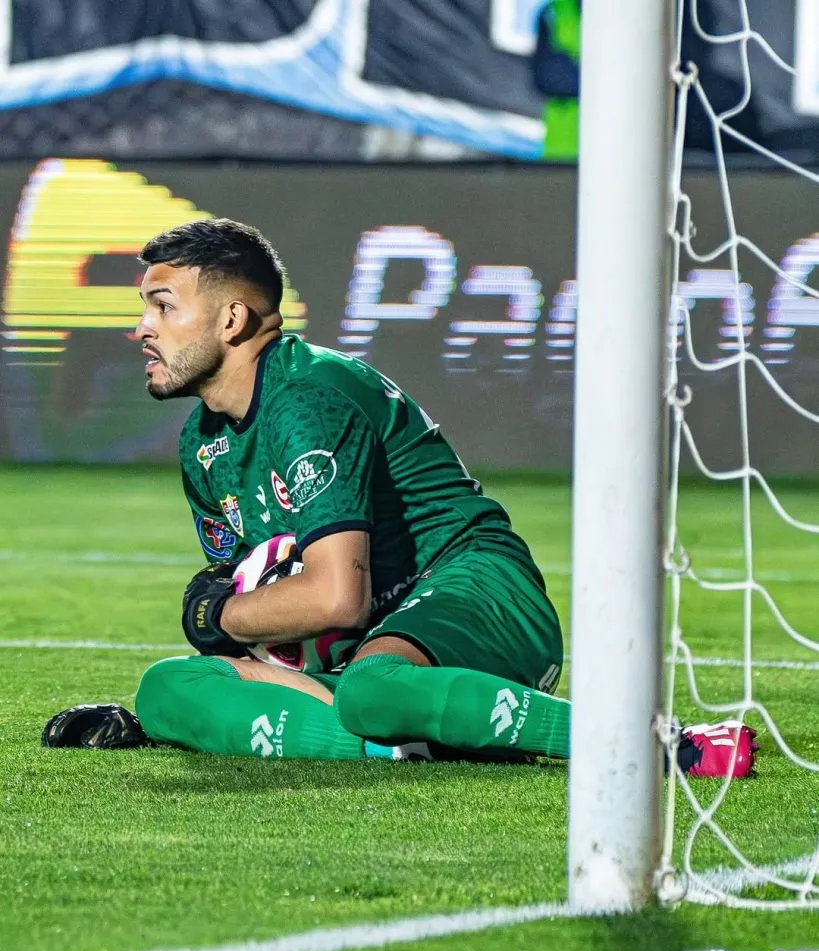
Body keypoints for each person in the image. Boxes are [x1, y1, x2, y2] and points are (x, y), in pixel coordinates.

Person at [40, 217, 758, 779]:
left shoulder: (305, 398)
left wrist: (218, 614)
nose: (141, 329)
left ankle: (657, 743)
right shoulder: (204, 441)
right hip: (363, 653)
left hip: (472, 588)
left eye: (162, 308)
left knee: (371, 692)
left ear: (230, 322)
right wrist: (223, 635)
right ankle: (410, 745)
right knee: (167, 689)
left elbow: (330, 600)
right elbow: (268, 611)